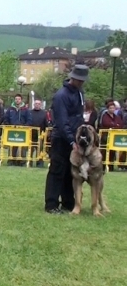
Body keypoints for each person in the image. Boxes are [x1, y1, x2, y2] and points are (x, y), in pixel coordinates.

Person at [44, 64, 89, 214]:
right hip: (61, 138)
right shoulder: (61, 95)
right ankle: (51, 204)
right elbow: (62, 122)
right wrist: (71, 141)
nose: (81, 83)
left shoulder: (80, 93)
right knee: (57, 170)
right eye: (79, 80)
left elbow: (79, 116)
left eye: (82, 81)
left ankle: (68, 203)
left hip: (74, 136)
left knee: (71, 172)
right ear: (73, 78)